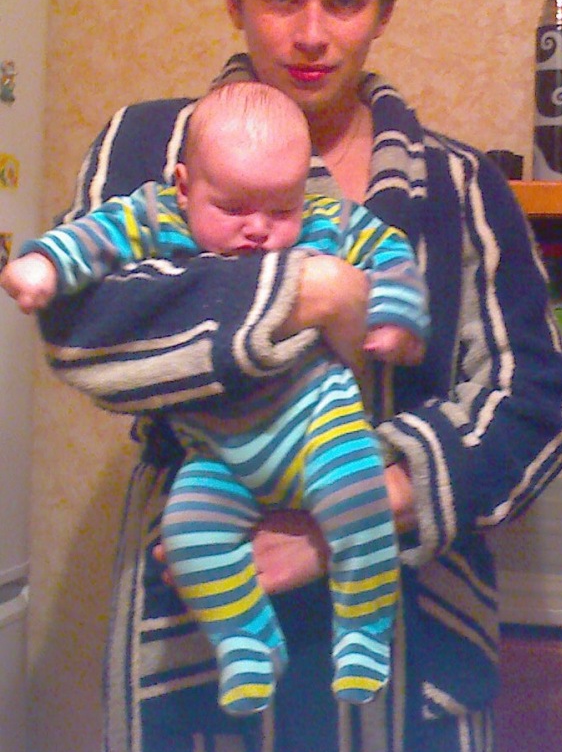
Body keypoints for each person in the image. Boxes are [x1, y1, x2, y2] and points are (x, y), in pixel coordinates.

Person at [31, 0, 562, 752]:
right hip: (197, 629)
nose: (312, 34)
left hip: (410, 644)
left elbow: (532, 400)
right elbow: (87, 327)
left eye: (344, 1)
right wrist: (304, 290)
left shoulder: (459, 188)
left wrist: (348, 516)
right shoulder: (148, 148)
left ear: (384, 9)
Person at [1, 81, 429, 715]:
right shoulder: (156, 213)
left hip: (319, 424)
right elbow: (96, 239)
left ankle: (364, 628)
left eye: (281, 210)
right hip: (217, 453)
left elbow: (389, 251)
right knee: (189, 533)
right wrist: (43, 265)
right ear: (183, 185)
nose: (258, 230)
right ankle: (247, 641)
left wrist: (393, 312)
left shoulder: (326, 216)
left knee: (358, 500)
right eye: (232, 208)